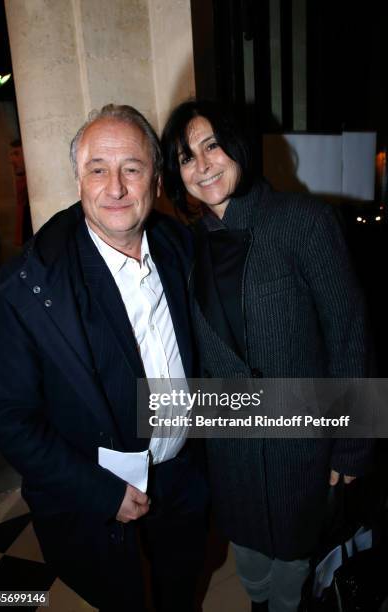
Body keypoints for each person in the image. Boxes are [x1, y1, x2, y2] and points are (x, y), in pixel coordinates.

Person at [0, 104, 208, 612]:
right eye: (97, 169)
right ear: (78, 179)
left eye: (132, 168)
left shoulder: (178, 247)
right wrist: (100, 493)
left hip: (183, 482)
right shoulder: (31, 284)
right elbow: (8, 418)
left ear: (156, 177)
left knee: (180, 591)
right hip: (98, 498)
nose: (116, 188)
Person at [161, 99, 373, 612]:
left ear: (239, 147)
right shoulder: (186, 246)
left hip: (301, 441)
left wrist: (351, 448)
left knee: (294, 564)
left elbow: (348, 334)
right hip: (231, 445)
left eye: (212, 145)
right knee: (249, 555)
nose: (203, 165)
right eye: (187, 157)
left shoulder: (304, 220)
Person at [9, 138, 33, 245]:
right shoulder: (22, 184)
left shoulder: (34, 188)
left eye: (16, 154)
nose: (11, 160)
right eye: (11, 155)